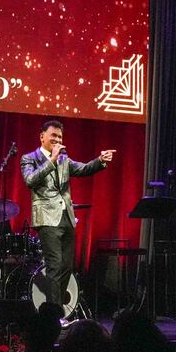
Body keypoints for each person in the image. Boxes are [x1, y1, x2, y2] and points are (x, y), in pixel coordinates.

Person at [20, 120, 115, 315]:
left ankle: (53, 307)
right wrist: (51, 161)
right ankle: (54, 314)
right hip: (47, 218)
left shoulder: (65, 160)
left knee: (66, 266)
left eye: (60, 137)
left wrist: (100, 160)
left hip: (66, 217)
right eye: (53, 136)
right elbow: (30, 180)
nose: (57, 140)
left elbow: (84, 169)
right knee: (54, 265)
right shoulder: (30, 158)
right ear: (42, 137)